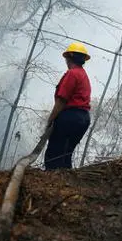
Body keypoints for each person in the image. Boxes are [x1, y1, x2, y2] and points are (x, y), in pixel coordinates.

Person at [44, 42, 92, 170]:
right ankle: (66, 184)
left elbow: (61, 100)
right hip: (83, 119)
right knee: (65, 154)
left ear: (69, 57)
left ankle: (52, 183)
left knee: (54, 153)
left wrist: (50, 120)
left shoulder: (72, 74)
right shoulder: (83, 75)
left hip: (70, 117)